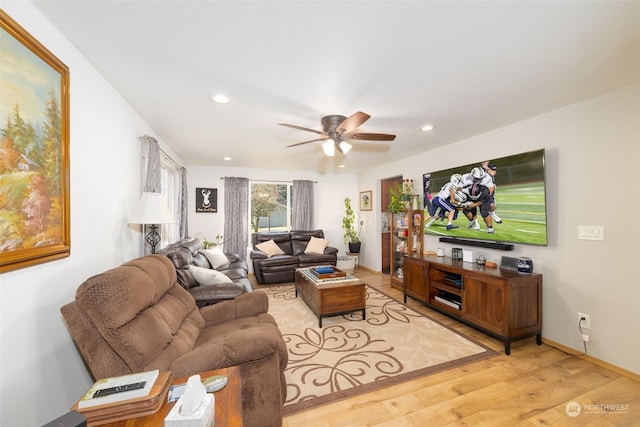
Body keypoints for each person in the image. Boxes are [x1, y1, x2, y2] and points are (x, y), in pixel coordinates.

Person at [459, 167, 496, 233]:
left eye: (480, 178)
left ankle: (490, 228)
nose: (478, 180)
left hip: (483, 196)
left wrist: (469, 206)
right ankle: (473, 222)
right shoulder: (465, 178)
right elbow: (459, 188)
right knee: (466, 210)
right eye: (477, 178)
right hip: (469, 195)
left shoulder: (486, 180)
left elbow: (491, 187)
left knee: (484, 212)